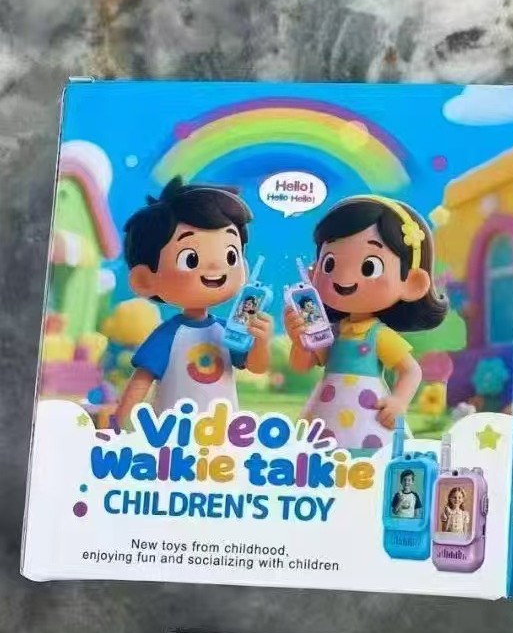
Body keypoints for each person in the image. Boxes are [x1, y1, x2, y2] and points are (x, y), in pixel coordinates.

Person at [284, 196, 446, 454]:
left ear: (412, 283)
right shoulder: (332, 330)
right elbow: (303, 365)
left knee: (368, 461)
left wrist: (399, 401)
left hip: (368, 419)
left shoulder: (378, 335)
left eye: (370, 267)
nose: (344, 277)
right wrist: (299, 340)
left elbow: (410, 370)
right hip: (324, 414)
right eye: (330, 264)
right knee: (317, 458)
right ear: (314, 272)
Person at [115, 178, 272, 427]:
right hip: (171, 437)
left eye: (231, 256)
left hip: (223, 437)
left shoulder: (228, 331)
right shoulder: (169, 335)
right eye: (190, 259)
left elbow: (256, 366)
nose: (216, 266)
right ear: (145, 279)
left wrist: (260, 341)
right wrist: (116, 425)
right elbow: (141, 380)